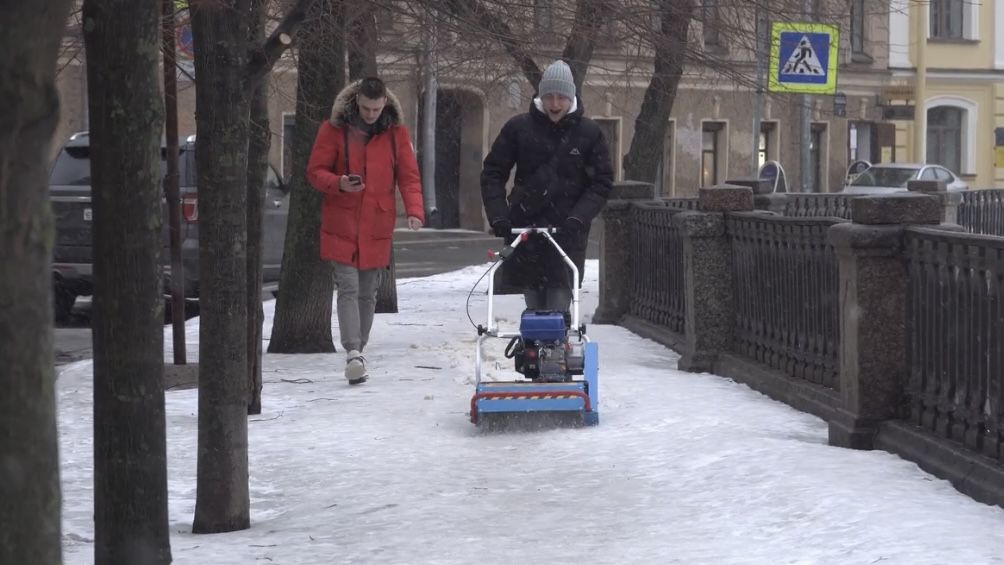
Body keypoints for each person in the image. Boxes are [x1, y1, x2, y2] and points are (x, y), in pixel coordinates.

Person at [307, 77, 425, 385]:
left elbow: (409, 177)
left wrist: (414, 210)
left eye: (376, 109)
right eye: (365, 108)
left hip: (377, 223)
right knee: (347, 286)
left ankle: (359, 349)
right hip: (341, 221)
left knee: (368, 291)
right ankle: (353, 352)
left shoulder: (396, 134)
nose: (371, 114)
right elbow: (315, 172)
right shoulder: (333, 129)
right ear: (356, 101)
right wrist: (338, 183)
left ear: (384, 102)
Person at [480, 59, 614, 316]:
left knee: (558, 306)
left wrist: (579, 217)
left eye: (561, 97)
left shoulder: (589, 133)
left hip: (567, 234)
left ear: (571, 97)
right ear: (540, 96)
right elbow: (493, 173)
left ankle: (556, 335)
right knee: (533, 306)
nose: (554, 104)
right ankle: (536, 338)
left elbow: (601, 182)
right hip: (526, 230)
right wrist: (499, 215)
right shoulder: (518, 128)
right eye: (549, 96)